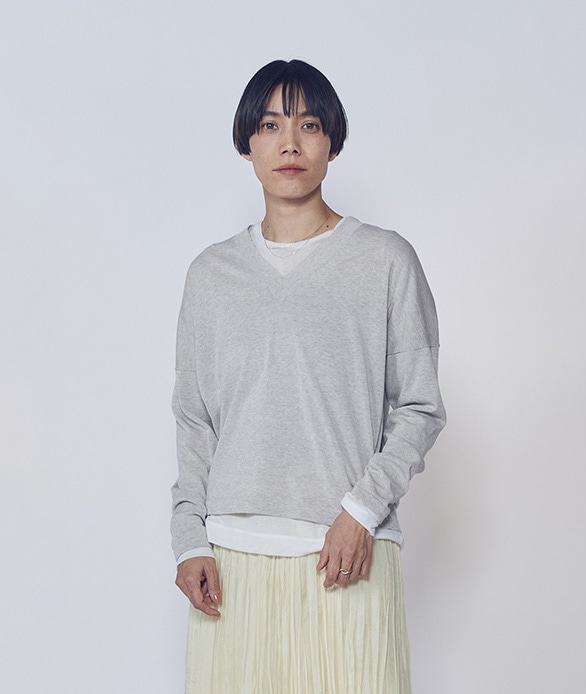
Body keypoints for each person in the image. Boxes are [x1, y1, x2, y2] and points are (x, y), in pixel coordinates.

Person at [171, 59, 446, 693]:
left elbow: (420, 407)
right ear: (246, 143)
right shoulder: (210, 275)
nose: (289, 143)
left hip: (346, 552)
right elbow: (193, 417)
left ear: (333, 142)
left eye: (309, 125)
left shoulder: (385, 260)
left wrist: (361, 510)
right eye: (270, 125)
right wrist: (190, 540)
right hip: (231, 560)